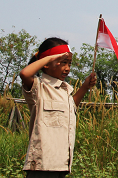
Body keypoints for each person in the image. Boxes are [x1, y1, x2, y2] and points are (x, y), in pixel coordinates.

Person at [19, 37, 97, 177]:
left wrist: (85, 87)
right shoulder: (39, 87)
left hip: (61, 164)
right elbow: (24, 73)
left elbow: (71, 106)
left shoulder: (65, 89)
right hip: (42, 166)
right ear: (47, 63)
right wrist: (50, 58)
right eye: (62, 63)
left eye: (69, 63)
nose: (67, 68)